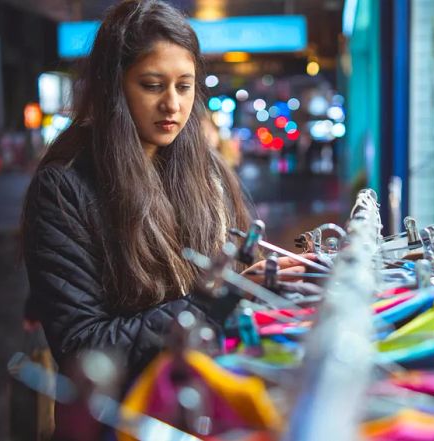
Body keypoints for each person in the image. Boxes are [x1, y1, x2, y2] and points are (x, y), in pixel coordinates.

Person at [22, 0, 310, 386]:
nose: (172, 104)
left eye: (184, 86)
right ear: (114, 87)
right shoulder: (63, 189)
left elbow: (237, 283)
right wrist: (215, 301)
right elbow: (84, 350)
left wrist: (263, 284)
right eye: (152, 85)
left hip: (215, 391)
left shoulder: (208, 172)